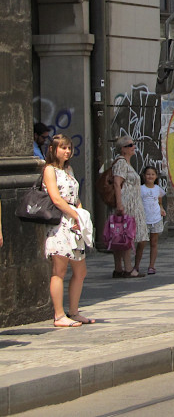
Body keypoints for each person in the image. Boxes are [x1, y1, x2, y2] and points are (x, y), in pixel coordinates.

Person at [42, 134, 94, 326]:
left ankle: (74, 311)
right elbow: (56, 198)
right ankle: (59, 315)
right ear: (53, 149)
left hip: (74, 222)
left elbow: (76, 196)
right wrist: (74, 214)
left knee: (80, 270)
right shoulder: (49, 170)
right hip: (59, 222)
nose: (67, 151)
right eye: (63, 148)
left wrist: (80, 214)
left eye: (69, 148)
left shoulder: (68, 169)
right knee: (59, 270)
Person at [111, 136, 148, 278]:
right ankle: (127, 268)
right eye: (130, 145)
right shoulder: (121, 162)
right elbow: (117, 183)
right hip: (126, 205)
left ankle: (119, 268)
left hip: (132, 204)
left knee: (122, 236)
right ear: (123, 149)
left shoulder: (126, 163)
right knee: (127, 236)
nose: (134, 147)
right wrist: (119, 204)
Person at [135, 166, 166, 275]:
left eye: (153, 174)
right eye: (148, 174)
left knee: (154, 243)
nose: (150, 176)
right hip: (144, 219)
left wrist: (161, 209)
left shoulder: (158, 189)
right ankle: (136, 266)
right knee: (141, 244)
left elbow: (160, 202)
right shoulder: (141, 189)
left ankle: (151, 266)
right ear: (144, 176)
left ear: (156, 176)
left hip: (156, 218)